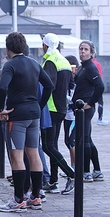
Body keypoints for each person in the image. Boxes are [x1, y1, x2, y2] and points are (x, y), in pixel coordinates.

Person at [0, 32, 54, 212]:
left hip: (17, 115)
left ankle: (18, 198)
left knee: (17, 156)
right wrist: (39, 104)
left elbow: (2, 87)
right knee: (34, 154)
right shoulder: (34, 64)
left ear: (7, 48)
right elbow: (50, 85)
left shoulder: (10, 65)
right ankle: (36, 196)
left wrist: (0, 109)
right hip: (34, 114)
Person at [40, 33, 76, 195]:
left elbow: (49, 84)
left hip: (50, 108)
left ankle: (71, 174)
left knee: (48, 146)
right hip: (62, 107)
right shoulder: (65, 61)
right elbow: (71, 84)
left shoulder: (50, 61)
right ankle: (53, 181)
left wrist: (40, 104)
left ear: (45, 45)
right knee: (52, 144)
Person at [71, 40, 105, 182]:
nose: (82, 52)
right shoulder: (82, 67)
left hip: (85, 108)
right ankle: (97, 170)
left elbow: (100, 86)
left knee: (83, 139)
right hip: (80, 107)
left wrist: (90, 102)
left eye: (85, 49)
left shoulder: (90, 67)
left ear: (91, 52)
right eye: (81, 49)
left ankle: (86, 172)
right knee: (88, 139)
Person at [92, 56, 108, 126]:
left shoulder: (87, 64)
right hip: (97, 87)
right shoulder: (97, 64)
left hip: (90, 88)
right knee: (100, 103)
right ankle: (100, 119)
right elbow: (100, 76)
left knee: (91, 104)